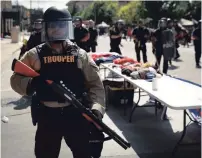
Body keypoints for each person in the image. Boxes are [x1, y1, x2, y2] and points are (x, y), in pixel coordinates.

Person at [10, 7, 105, 158]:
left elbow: (95, 85)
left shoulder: (80, 55)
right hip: (48, 116)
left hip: (75, 114)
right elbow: (15, 79)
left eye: (62, 25)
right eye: (53, 25)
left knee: (84, 154)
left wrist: (96, 110)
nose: (57, 30)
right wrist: (31, 84)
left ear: (68, 27)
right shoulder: (34, 55)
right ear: (46, 28)